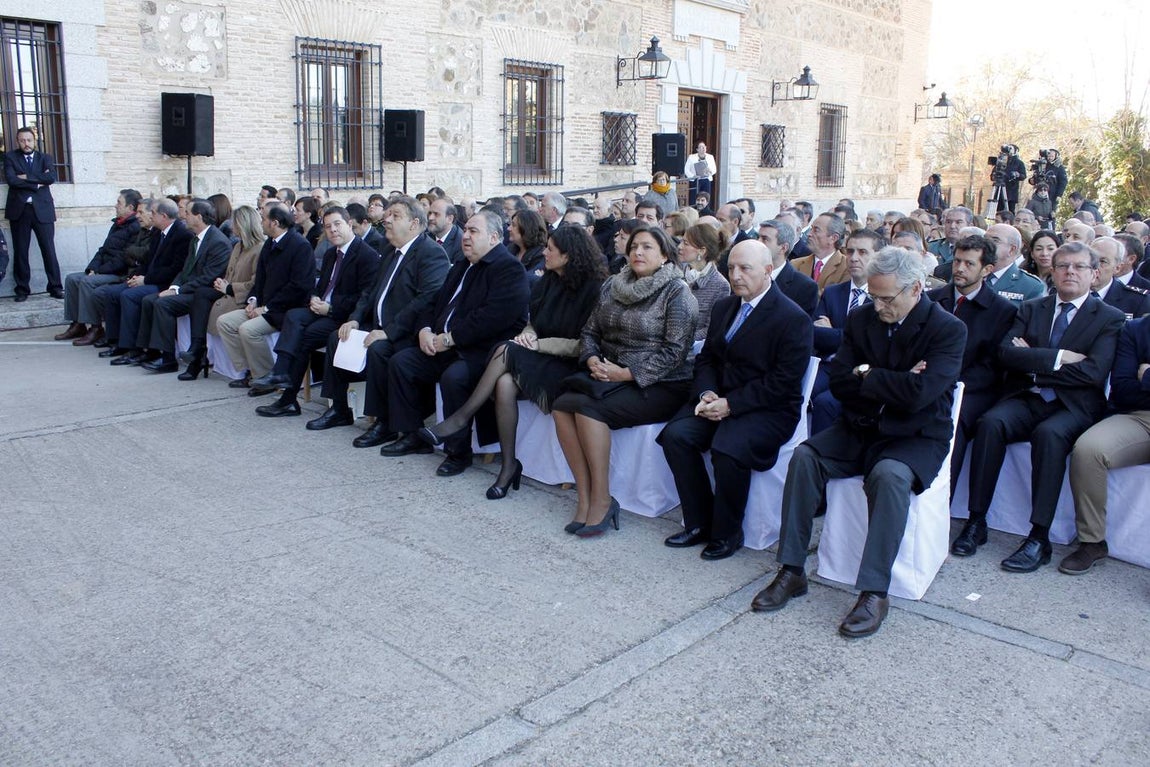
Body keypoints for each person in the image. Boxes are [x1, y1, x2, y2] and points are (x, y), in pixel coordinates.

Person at [753, 246, 965, 638]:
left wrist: (869, 374)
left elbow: (922, 395)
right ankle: (792, 569)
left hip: (915, 436)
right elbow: (839, 381)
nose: (878, 305)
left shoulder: (947, 329)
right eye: (873, 295)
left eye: (886, 298)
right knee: (805, 458)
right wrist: (893, 378)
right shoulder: (861, 318)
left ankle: (874, 592)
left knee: (888, 476)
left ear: (916, 289)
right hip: (861, 425)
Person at [958, 242, 1125, 570]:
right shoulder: (1033, 308)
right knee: (990, 423)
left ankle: (1039, 537)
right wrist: (1059, 358)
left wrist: (1033, 361)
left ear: (1094, 275)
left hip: (1072, 406)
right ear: (1052, 271)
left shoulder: (1109, 318)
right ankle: (976, 521)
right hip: (1028, 397)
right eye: (1062, 266)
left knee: (1049, 435)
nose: (1069, 272)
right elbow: (1006, 355)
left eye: (1078, 267)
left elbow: (1093, 373)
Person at [417, 226, 607, 498]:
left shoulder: (595, 290)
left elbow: (583, 344)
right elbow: (533, 322)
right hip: (539, 356)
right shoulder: (549, 280)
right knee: (505, 382)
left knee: (505, 350)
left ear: (568, 256)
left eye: (550, 249)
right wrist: (528, 336)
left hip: (569, 364)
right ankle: (508, 465)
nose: (544, 252)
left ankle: (461, 418)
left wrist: (537, 344)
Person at [658, 239, 813, 559]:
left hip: (767, 408)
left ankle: (728, 532)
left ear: (769, 271)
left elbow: (783, 382)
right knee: (677, 436)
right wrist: (706, 393)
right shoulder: (725, 306)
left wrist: (731, 404)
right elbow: (708, 359)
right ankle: (699, 521)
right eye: (731, 268)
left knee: (727, 448)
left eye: (745, 268)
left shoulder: (791, 317)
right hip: (719, 397)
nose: (736, 275)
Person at [550, 226, 698, 536]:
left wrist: (627, 374)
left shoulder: (676, 292)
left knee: (590, 410)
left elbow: (675, 353)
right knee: (562, 405)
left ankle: (602, 500)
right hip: (610, 375)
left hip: (662, 384)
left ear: (664, 255)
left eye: (647, 247)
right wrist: (591, 358)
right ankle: (586, 494)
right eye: (633, 247)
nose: (638, 253)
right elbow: (590, 332)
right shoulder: (612, 287)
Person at [379, 210, 530, 477]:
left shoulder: (508, 269)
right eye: (466, 230)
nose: (466, 236)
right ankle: (413, 434)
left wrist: (450, 339)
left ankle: (458, 452)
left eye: (474, 231)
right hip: (442, 344)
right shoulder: (462, 263)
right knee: (402, 362)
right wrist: (425, 330)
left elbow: (491, 319)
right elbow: (434, 302)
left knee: (454, 378)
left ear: (494, 237)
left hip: (482, 351)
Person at [303, 197, 445, 435]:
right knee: (338, 337)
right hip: (377, 324)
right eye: (387, 214)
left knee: (379, 349)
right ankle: (339, 409)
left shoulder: (430, 253)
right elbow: (371, 290)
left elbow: (424, 301)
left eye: (395, 216)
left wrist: (388, 332)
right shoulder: (389, 249)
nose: (387, 220)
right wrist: (355, 318)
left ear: (413, 224)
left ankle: (384, 422)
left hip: (406, 331)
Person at [925, 235, 1018, 496]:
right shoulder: (932, 300)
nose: (959, 269)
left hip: (970, 390)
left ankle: (944, 500)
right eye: (956, 261)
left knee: (954, 421)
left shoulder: (1002, 310)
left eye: (969, 263)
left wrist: (951, 384)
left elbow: (991, 365)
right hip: (928, 380)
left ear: (987, 269)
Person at [1064, 316, 1150, 573]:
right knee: (1089, 449)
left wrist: (1147, 377)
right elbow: (1123, 388)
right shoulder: (1136, 329)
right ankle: (1092, 542)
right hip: (1138, 416)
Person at [131, 199, 233, 372]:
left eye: (187, 213)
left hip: (203, 292)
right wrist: (174, 287)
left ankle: (168, 359)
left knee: (162, 304)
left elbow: (208, 278)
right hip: (189, 288)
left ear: (198, 217)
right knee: (149, 300)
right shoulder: (196, 239)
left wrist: (178, 290)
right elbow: (184, 270)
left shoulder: (218, 242)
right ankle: (149, 350)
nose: (182, 216)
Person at [178, 204, 266, 380]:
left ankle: (199, 352)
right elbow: (231, 273)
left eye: (235, 224)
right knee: (201, 294)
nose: (231, 227)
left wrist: (229, 287)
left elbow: (256, 283)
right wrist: (223, 282)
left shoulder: (259, 249)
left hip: (242, 296)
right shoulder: (238, 246)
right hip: (229, 290)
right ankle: (197, 348)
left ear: (243, 225)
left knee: (203, 298)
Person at [102, 199, 192, 361]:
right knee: (112, 293)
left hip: (165, 283)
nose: (151, 216)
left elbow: (175, 269)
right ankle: (116, 342)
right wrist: (137, 276)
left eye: (154, 213)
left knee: (129, 296)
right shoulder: (158, 232)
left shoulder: (182, 235)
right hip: (150, 279)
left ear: (163, 216)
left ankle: (132, 347)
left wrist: (146, 279)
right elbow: (149, 260)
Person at [54, 189, 143, 346]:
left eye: (119, 203)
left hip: (118, 273)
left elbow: (124, 258)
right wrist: (92, 268)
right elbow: (103, 250)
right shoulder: (117, 224)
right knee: (72, 279)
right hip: (104, 269)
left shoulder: (135, 227)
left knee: (87, 283)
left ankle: (95, 327)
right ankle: (77, 324)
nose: (115, 206)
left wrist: (99, 272)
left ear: (130, 207)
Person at [3, 126, 63, 301]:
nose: (26, 144)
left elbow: (51, 177)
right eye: (22, 140)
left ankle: (55, 287)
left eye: (29, 140)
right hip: (20, 211)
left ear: (34, 140)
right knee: (21, 252)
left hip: (42, 211)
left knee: (49, 250)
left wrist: (26, 177)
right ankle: (22, 289)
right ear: (17, 141)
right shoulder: (10, 157)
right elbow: (12, 180)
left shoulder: (45, 157)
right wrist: (37, 182)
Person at [675, 223, 730, 345]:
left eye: (686, 243)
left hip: (691, 352)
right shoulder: (674, 273)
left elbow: (710, 328)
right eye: (681, 241)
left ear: (702, 251)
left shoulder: (720, 285)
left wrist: (677, 341)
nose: (679, 246)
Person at [758, 219, 818, 317]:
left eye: (765, 239)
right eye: (758, 237)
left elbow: (800, 326)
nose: (758, 242)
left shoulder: (804, 287)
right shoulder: (747, 274)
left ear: (783, 248)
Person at [983, 223, 1045, 305]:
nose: (986, 244)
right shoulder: (973, 275)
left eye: (995, 240)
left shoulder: (1030, 286)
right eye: (985, 239)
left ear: (1011, 250)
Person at [1092, 237, 1150, 319]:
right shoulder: (1070, 291)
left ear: (1117, 268)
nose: (1094, 267)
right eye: (1092, 260)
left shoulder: (1138, 300)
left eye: (1103, 261)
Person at [790, 213, 848, 293]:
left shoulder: (847, 267)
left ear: (833, 238)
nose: (809, 234)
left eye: (816, 230)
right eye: (811, 229)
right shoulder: (795, 265)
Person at [509, 209, 548, 280]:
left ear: (526, 229)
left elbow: (526, 280)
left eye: (513, 225)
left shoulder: (541, 255)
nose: (509, 228)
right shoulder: (510, 249)